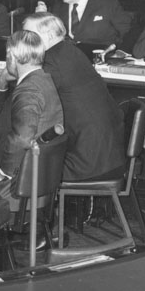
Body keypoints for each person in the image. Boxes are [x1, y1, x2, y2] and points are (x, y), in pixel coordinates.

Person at [23, 13, 126, 182]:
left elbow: (29, 101)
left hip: (85, 165)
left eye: (28, 35)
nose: (23, 40)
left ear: (48, 36)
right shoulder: (72, 51)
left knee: (22, 166)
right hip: (110, 158)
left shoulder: (50, 61)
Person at [0, 31, 65, 208]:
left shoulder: (28, 90)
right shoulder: (43, 79)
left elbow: (22, 138)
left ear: (11, 56)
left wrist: (1, 173)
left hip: (19, 190)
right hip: (42, 180)